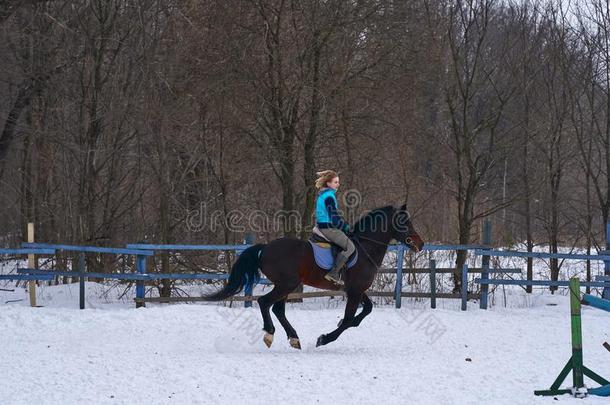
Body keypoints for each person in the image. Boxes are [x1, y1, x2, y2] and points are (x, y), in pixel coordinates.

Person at [314, 170, 356, 285]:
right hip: (328, 228)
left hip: (324, 226)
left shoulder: (324, 195)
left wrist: (344, 224)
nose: (338, 184)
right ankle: (334, 273)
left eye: (338, 182)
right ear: (328, 184)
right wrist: (345, 227)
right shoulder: (329, 196)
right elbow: (334, 217)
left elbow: (335, 216)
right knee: (351, 247)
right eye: (335, 182)